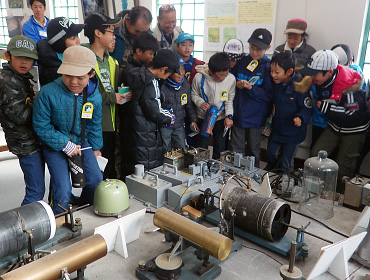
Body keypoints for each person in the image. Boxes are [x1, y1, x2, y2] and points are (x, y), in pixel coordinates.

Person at [32, 45, 103, 214]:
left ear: (91, 74)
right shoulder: (48, 93)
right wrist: (65, 144)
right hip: (55, 143)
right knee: (62, 188)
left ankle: (81, 208)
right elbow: (40, 125)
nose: (73, 81)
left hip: (82, 141)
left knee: (95, 181)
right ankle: (59, 217)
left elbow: (94, 124)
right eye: (67, 75)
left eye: (80, 77)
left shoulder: (94, 97)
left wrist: (96, 147)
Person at [300, 50, 369, 193]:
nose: (313, 77)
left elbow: (351, 113)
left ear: (329, 72)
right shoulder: (320, 81)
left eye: (316, 73)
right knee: (316, 153)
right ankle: (314, 188)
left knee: (345, 166)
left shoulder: (350, 88)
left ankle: (339, 195)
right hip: (334, 125)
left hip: (354, 130)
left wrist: (327, 107)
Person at [0, 35, 45, 206]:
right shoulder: (7, 80)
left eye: (29, 58)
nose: (25, 62)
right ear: (8, 55)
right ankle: (23, 229)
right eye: (19, 57)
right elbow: (21, 115)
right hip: (25, 144)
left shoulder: (20, 77)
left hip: (30, 141)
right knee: (35, 193)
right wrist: (39, 102)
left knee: (37, 189)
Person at [120, 49, 179, 177]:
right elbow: (154, 111)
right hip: (146, 135)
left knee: (133, 172)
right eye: (169, 74)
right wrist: (170, 118)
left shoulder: (137, 74)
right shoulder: (151, 82)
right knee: (147, 175)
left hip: (134, 131)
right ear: (164, 69)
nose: (168, 77)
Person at [84, 13, 123, 179]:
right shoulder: (85, 58)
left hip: (111, 122)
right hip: (94, 124)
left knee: (108, 167)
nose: (114, 36)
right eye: (111, 32)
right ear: (98, 33)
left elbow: (111, 88)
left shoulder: (112, 61)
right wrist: (113, 98)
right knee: (93, 171)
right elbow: (84, 91)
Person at [231, 28, 273, 167]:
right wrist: (237, 84)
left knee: (253, 150)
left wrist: (251, 88)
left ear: (268, 48)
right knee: (236, 149)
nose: (254, 52)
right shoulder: (242, 61)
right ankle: (235, 173)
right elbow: (231, 80)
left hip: (256, 118)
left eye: (258, 50)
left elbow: (268, 95)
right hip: (238, 114)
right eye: (252, 48)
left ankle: (252, 177)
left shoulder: (268, 67)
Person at [267, 52, 313, 171]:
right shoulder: (275, 84)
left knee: (286, 162)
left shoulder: (299, 86)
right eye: (271, 71)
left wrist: (300, 118)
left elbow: (307, 109)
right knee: (271, 154)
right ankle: (274, 175)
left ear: (289, 72)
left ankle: (286, 184)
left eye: (277, 72)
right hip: (277, 129)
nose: (273, 75)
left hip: (293, 133)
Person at [192, 52, 235, 159]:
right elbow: (193, 94)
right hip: (203, 117)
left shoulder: (231, 79)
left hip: (220, 117)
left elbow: (229, 99)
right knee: (202, 145)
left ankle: (217, 170)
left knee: (220, 146)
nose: (224, 77)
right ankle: (201, 167)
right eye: (221, 75)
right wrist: (201, 103)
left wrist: (229, 116)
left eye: (226, 73)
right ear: (211, 71)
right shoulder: (199, 77)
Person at [160, 56, 198, 151]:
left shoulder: (185, 84)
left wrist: (193, 120)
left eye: (183, 69)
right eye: (178, 70)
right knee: (165, 150)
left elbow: (189, 105)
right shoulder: (162, 85)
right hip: (164, 126)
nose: (181, 73)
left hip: (179, 125)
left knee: (182, 149)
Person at [37, 17, 84, 86]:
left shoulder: (70, 57)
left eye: (77, 36)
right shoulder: (54, 70)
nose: (78, 41)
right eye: (73, 38)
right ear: (60, 43)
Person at [111, 6, 152, 73]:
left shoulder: (149, 34)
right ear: (127, 21)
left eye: (144, 32)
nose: (140, 36)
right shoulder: (113, 32)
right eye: (137, 31)